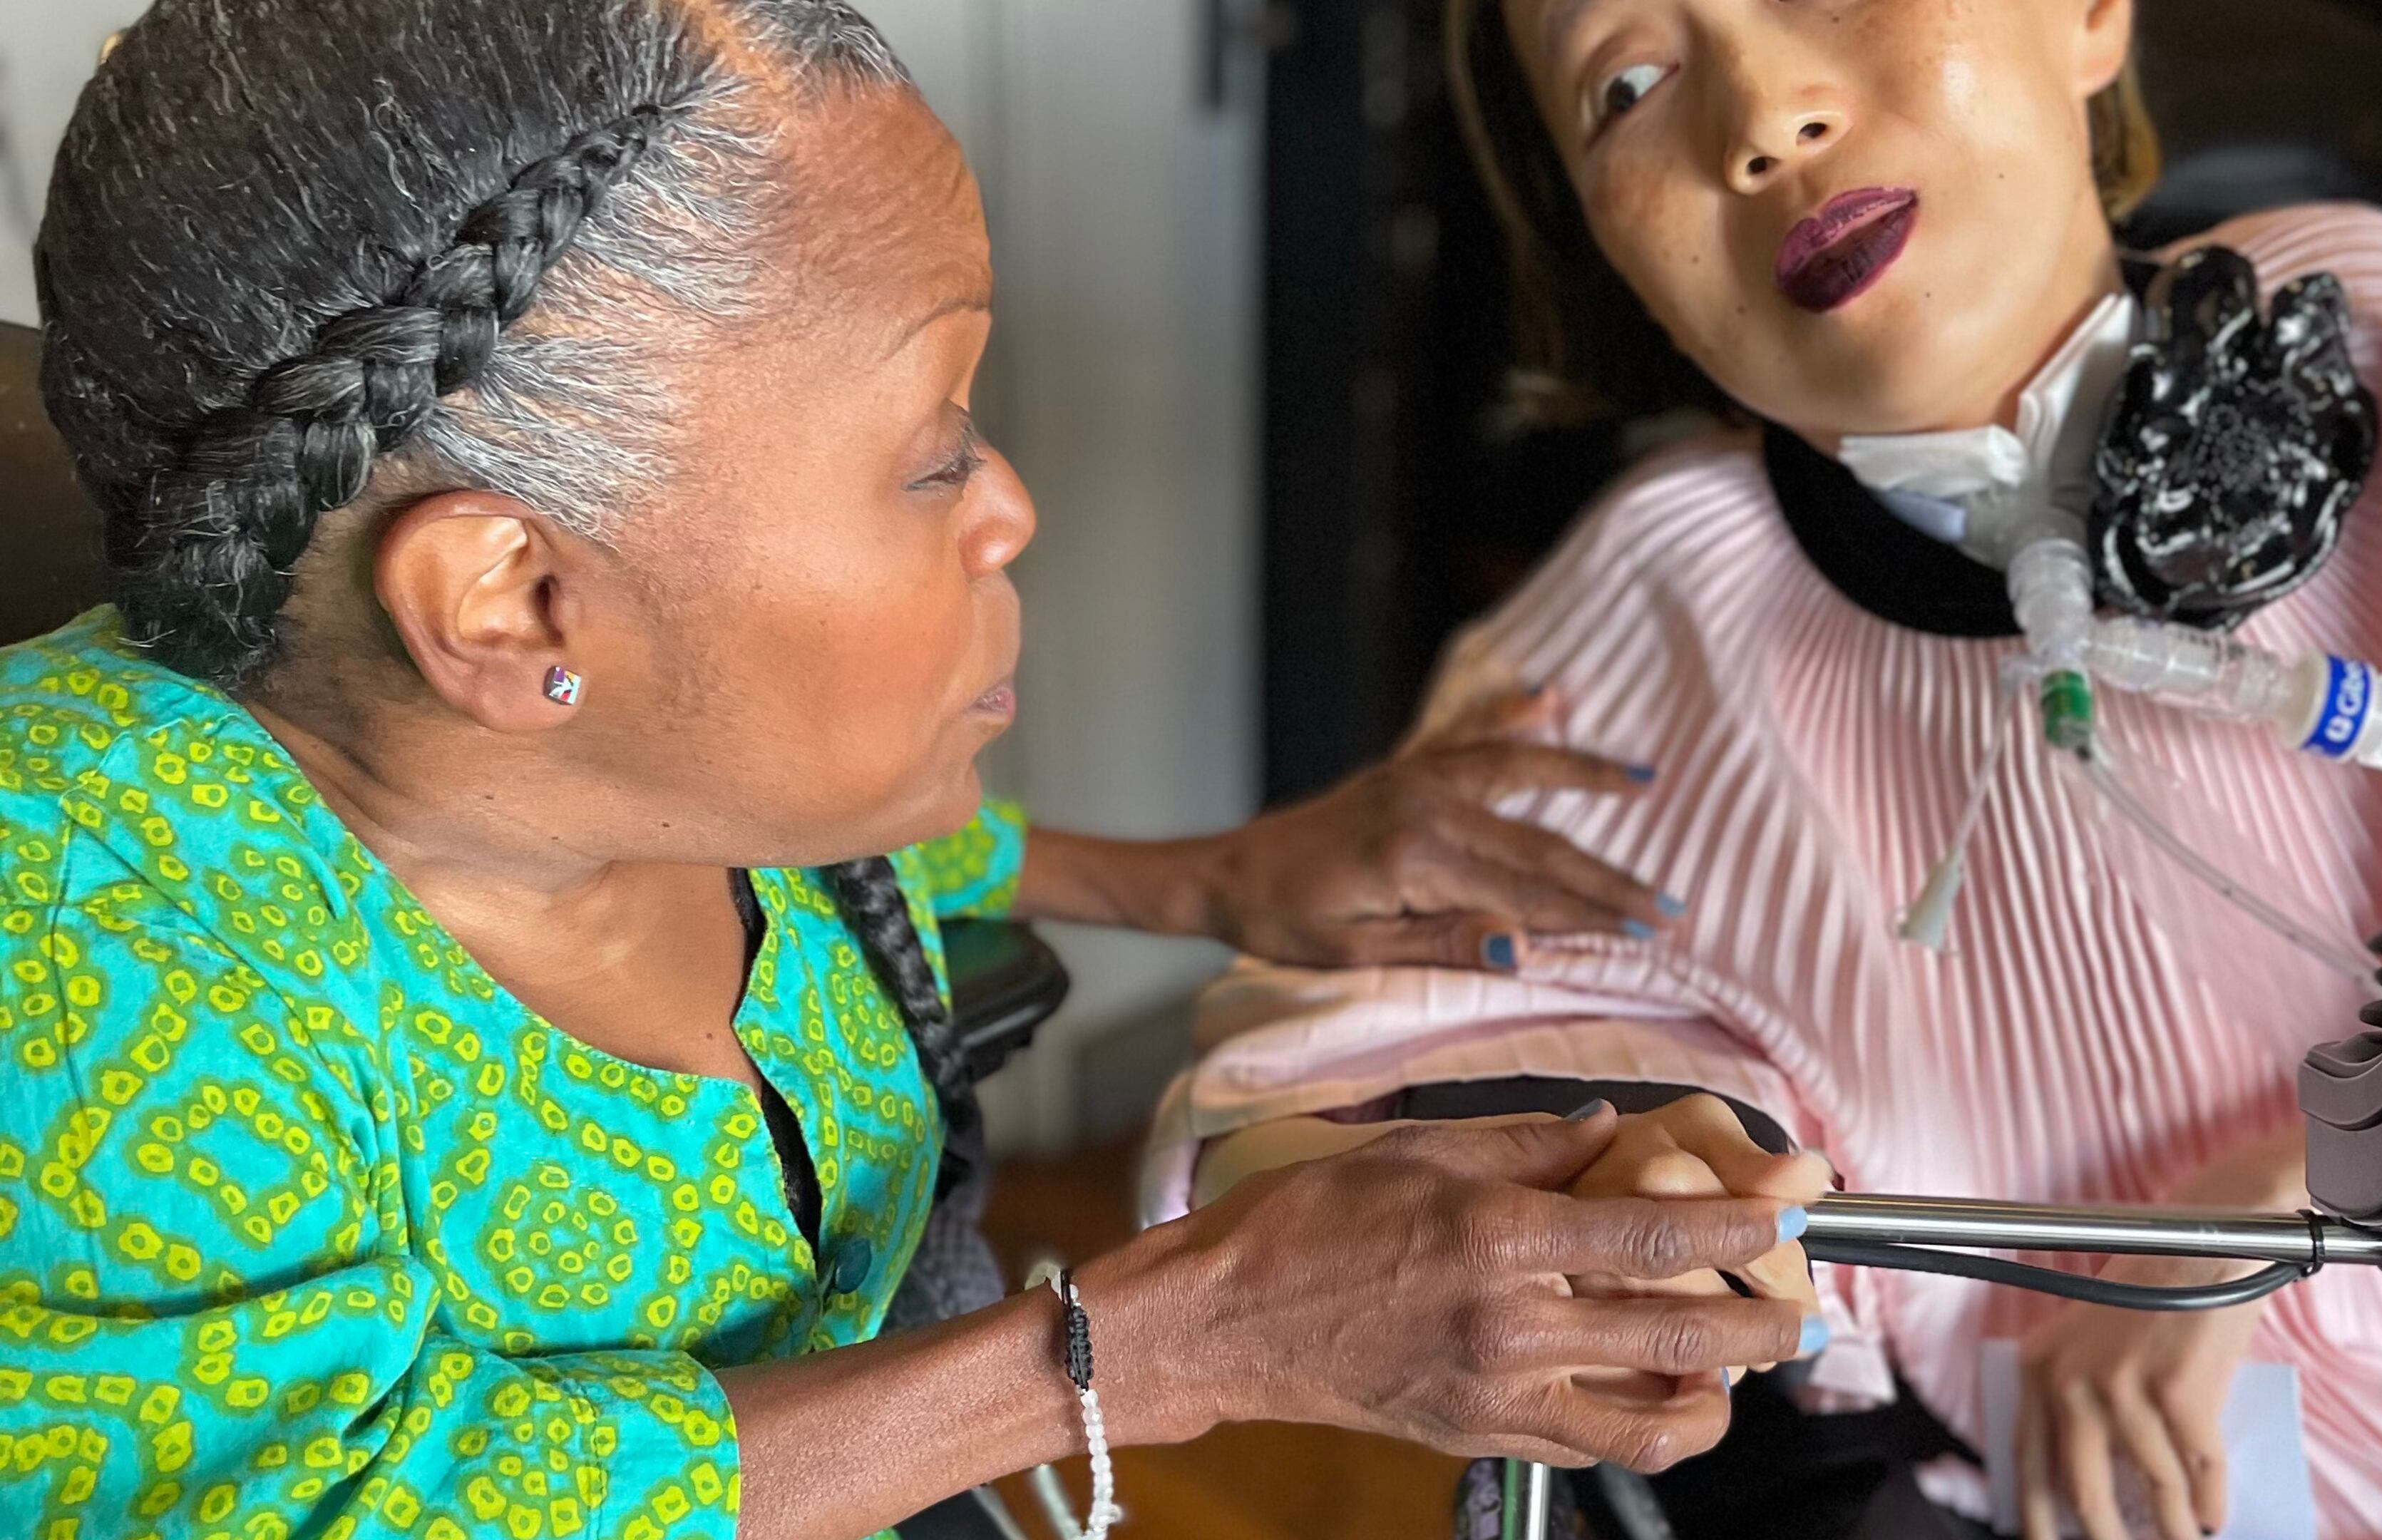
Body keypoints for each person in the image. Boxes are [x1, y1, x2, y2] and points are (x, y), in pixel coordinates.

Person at [0, 4, 1846, 1537]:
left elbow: (886, 876)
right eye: (933, 449)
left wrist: (1208, 883)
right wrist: (1174, 1343)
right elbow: (334, 1500)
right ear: (513, 599)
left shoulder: (659, 772)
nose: (1013, 505)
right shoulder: (75, 952)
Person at [1148, 1, 2382, 1537]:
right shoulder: (1649, 624)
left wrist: (2280, 1210)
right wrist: (1620, 1185)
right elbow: (1288, 1109)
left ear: (2091, 16)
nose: (1764, 120)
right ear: (1606, 245)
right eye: (1626, 84)